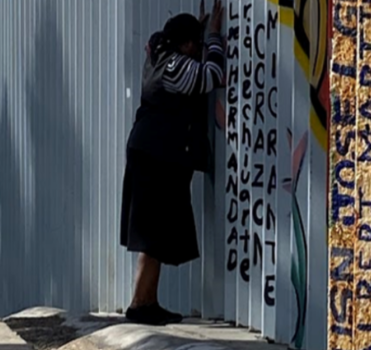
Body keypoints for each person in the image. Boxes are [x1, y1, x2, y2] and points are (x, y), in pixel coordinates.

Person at [120, 0, 225, 325]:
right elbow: (212, 75)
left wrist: (198, 29)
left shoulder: (160, 57)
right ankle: (140, 304)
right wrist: (215, 37)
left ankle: (148, 302)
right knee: (153, 237)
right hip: (157, 156)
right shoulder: (174, 66)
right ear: (185, 43)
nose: (197, 49)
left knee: (156, 235)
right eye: (193, 43)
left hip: (153, 153)